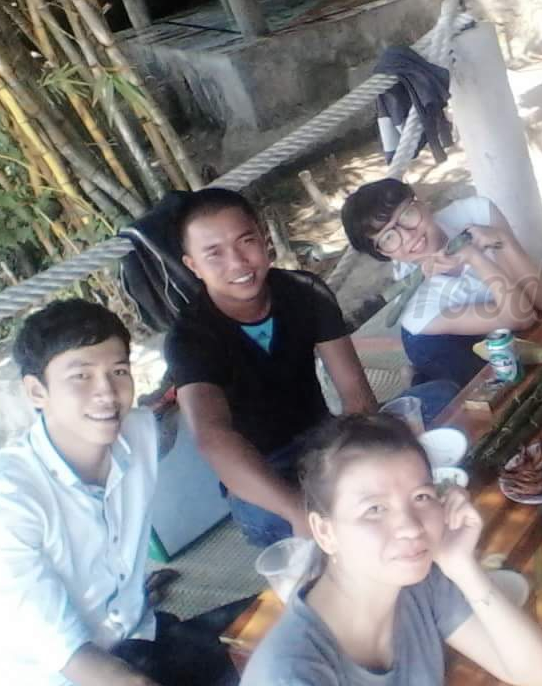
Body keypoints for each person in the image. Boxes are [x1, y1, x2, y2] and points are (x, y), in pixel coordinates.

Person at [0, 300, 235, 686]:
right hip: (69, 677)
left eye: (118, 371)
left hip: (139, 639)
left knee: (283, 626)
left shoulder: (138, 433)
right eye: (81, 376)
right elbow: (72, 658)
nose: (107, 393)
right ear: (36, 391)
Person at [165, 188, 457, 547]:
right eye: (215, 254)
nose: (238, 262)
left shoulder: (305, 292)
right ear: (192, 265)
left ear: (264, 238)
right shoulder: (189, 338)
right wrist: (296, 510)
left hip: (328, 441)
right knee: (266, 516)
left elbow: (355, 394)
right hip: (265, 469)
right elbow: (213, 439)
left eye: (246, 241)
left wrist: (361, 463)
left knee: (442, 396)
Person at [240, 413, 542, 686]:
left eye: (421, 497)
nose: (411, 527)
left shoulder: (419, 584)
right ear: (325, 532)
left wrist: (461, 566)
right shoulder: (291, 675)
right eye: (375, 509)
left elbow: (535, 673)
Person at [341, 179, 542, 386]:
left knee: (530, 337)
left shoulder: (477, 212)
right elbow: (522, 317)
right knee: (487, 380)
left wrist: (502, 240)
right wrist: (474, 257)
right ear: (383, 254)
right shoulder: (415, 309)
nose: (408, 236)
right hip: (440, 340)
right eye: (388, 238)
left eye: (406, 215)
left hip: (501, 311)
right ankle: (418, 379)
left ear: (421, 203)